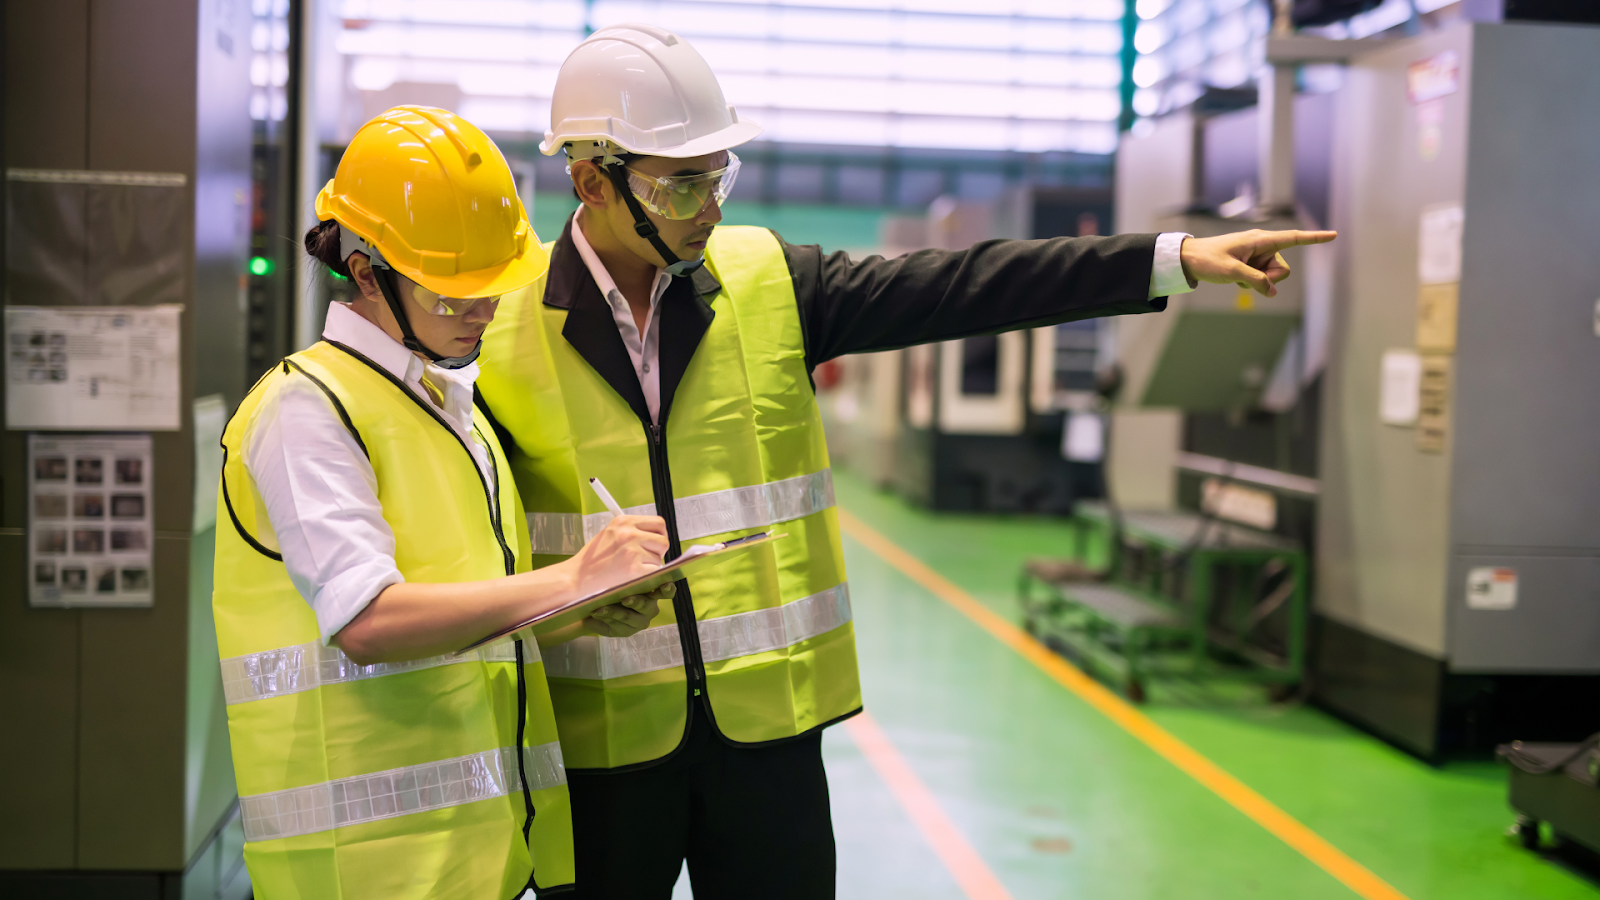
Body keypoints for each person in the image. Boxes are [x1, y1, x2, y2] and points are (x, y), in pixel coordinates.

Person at [475, 25, 1336, 899]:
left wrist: (1170, 259)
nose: (710, 208)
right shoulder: (499, 335)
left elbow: (963, 286)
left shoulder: (768, 280)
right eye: (681, 185)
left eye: (718, 176)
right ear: (592, 181)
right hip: (601, 746)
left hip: (768, 735)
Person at [212, 105, 673, 900]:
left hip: (479, 857)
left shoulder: (448, 407)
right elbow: (367, 621)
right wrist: (571, 579)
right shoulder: (306, 408)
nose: (482, 315)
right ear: (366, 274)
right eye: (454, 297)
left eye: (491, 291)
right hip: (367, 871)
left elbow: (467, 614)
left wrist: (582, 610)